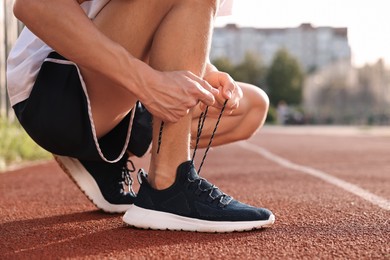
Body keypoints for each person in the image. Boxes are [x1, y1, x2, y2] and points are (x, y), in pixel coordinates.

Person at [7, 0, 275, 232]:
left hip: (117, 105)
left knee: (252, 107)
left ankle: (105, 158)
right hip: (54, 94)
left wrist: (207, 73)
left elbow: (169, 24)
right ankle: (167, 185)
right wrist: (146, 82)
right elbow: (33, 5)